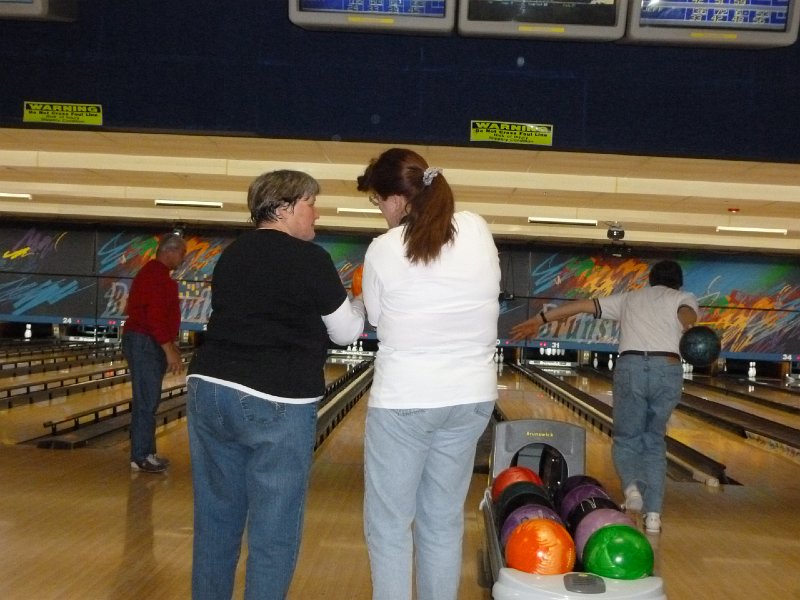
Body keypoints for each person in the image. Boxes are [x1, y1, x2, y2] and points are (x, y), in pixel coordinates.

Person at [186, 170, 365, 600]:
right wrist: (362, 299)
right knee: (274, 531)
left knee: (216, 521)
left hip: (208, 388)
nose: (316, 213)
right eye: (310, 203)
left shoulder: (231, 254)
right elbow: (346, 333)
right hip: (275, 399)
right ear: (284, 208)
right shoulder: (311, 258)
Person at [356, 148, 500, 600]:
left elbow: (374, 317)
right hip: (470, 400)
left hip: (406, 400)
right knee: (441, 520)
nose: (380, 211)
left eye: (379, 201)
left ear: (397, 199)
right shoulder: (476, 227)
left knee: (389, 525)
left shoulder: (383, 249)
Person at [511, 259, 698, 534]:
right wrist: (691, 329)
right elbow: (686, 315)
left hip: (631, 366)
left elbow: (579, 306)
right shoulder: (684, 298)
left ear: (651, 280)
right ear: (678, 282)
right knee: (654, 440)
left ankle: (632, 488)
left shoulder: (630, 298)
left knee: (626, 438)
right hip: (667, 368)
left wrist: (539, 320)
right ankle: (654, 515)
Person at [122, 232, 187, 474]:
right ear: (169, 251)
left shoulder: (157, 276)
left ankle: (145, 453)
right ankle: (141, 455)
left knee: (148, 399)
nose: (183, 259)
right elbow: (154, 316)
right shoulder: (155, 276)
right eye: (182, 254)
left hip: (146, 341)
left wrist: (172, 345)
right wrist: (168, 348)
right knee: (146, 400)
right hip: (144, 342)